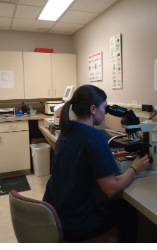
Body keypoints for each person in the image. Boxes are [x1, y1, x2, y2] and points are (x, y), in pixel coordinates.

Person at [43, 85, 149, 242]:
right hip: (76, 223)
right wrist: (135, 169)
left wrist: (110, 155)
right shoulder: (95, 136)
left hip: (57, 214)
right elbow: (111, 188)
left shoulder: (67, 131)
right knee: (126, 210)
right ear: (93, 109)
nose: (105, 112)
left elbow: (82, 160)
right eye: (104, 107)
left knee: (118, 208)